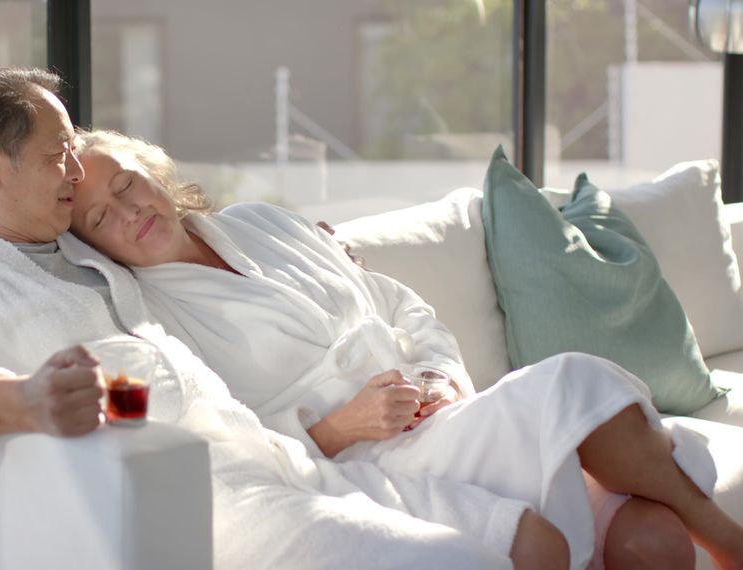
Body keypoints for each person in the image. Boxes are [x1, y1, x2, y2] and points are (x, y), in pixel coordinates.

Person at [0, 67, 582, 569]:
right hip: (222, 503)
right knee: (459, 563)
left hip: (286, 461)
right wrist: (22, 400)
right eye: (60, 156)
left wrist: (308, 253)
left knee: (525, 543)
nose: (77, 175)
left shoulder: (80, 258)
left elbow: (149, 369)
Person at [67, 128, 743, 570]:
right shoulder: (149, 322)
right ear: (95, 246)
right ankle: (725, 538)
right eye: (100, 216)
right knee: (575, 379)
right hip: (367, 463)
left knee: (646, 541)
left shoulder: (261, 223)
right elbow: (228, 445)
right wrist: (338, 426)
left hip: (445, 421)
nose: (128, 211)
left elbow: (401, 307)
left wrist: (441, 375)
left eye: (126, 182)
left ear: (154, 169)